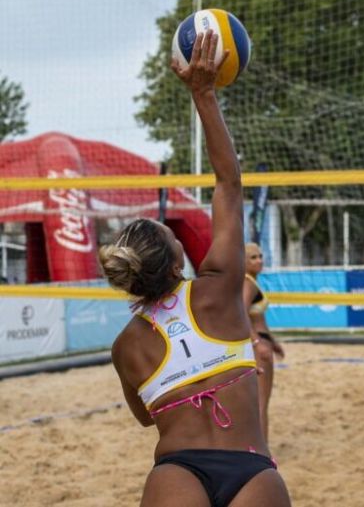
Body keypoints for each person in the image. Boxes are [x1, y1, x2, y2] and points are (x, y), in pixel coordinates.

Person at [100, 31, 290, 506]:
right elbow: (228, 182)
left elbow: (146, 417)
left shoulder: (125, 346)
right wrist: (203, 94)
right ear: (178, 256)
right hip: (251, 467)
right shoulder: (219, 290)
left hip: (177, 470)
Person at [243, 242, 285, 446]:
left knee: (258, 402)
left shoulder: (251, 281)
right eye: (253, 257)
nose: (259, 260)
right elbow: (241, 314)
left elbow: (255, 317)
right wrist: (258, 342)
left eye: (260, 256)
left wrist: (273, 342)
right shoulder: (247, 283)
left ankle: (257, 448)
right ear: (242, 262)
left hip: (260, 341)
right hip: (257, 346)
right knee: (260, 403)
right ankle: (262, 453)